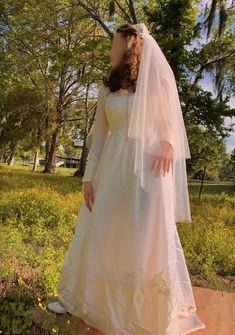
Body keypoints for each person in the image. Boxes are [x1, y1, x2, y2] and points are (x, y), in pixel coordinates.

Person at [47, 23, 206, 335]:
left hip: (147, 173)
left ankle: (144, 309)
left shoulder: (155, 83)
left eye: (114, 43)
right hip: (112, 168)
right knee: (103, 228)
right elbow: (101, 138)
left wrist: (169, 142)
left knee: (141, 232)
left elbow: (171, 123)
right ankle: (80, 298)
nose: (110, 49)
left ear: (129, 46)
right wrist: (88, 179)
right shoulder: (107, 87)